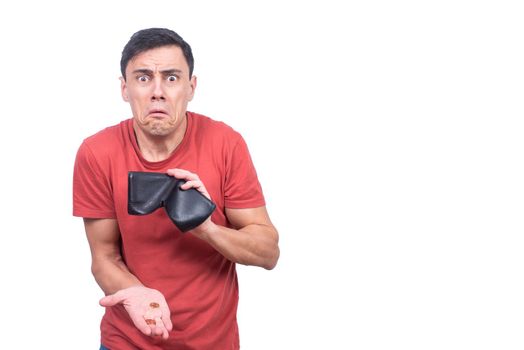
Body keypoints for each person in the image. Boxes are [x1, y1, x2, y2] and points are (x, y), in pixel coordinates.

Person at [73, 28, 280, 350]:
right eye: (143, 78)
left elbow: (268, 254)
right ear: (124, 88)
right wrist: (140, 294)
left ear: (191, 87)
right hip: (126, 341)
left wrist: (207, 228)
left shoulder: (225, 143)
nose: (157, 91)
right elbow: (104, 257)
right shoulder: (97, 152)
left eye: (171, 78)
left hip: (212, 342)